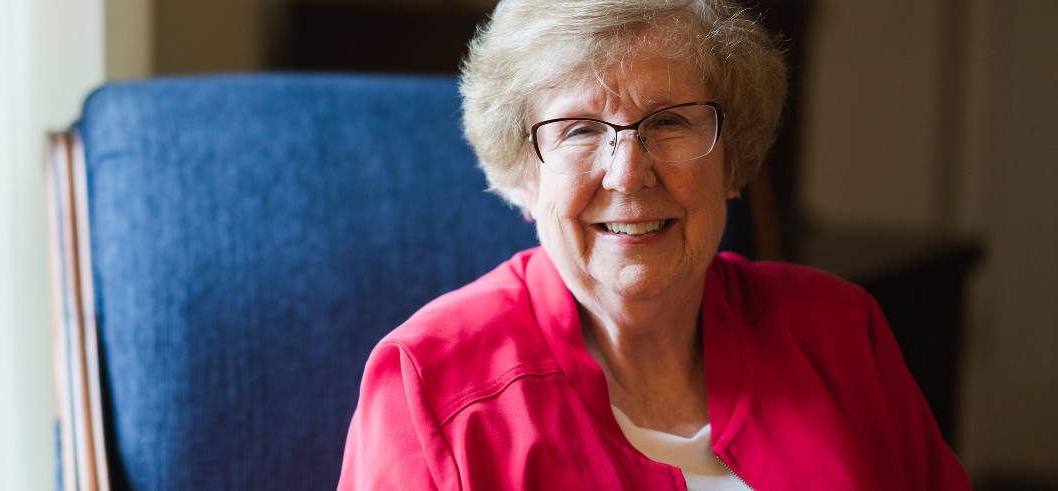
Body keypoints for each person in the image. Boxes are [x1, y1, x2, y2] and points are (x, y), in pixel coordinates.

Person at [338, 0, 971, 489]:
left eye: (668, 122)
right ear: (526, 175)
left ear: (732, 158)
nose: (627, 173)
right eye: (580, 130)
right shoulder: (431, 391)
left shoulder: (837, 333)